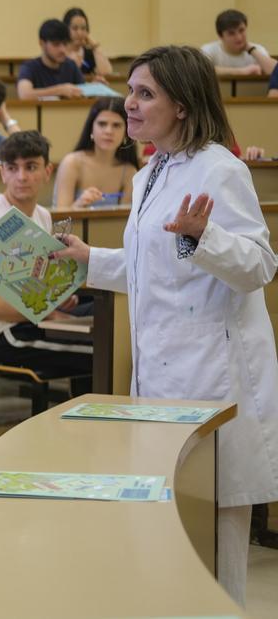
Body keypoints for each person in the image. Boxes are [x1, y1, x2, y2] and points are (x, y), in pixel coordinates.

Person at [53, 45, 278, 606]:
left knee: (213, 539)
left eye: (144, 93)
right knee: (171, 534)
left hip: (212, 378)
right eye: (129, 90)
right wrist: (89, 259)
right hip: (161, 374)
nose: (129, 103)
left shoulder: (220, 168)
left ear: (182, 104)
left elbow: (259, 267)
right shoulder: (153, 168)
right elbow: (152, 270)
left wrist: (206, 237)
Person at [0, 130, 91, 375]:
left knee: (106, 320)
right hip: (4, 334)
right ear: (2, 172)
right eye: (12, 168)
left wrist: (59, 297)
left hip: (35, 319)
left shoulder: (42, 214)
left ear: (47, 171)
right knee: (102, 352)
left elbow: (37, 283)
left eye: (31, 167)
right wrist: (52, 313)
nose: (21, 177)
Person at [53, 97, 138, 208]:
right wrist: (79, 205)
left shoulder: (129, 172)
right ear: (91, 129)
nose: (108, 131)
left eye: (116, 125)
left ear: (126, 133)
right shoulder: (72, 163)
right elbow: (60, 218)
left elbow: (125, 222)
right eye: (102, 124)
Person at [17, 19, 85, 100]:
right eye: (56, 44)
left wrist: (97, 88)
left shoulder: (71, 65)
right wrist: (59, 90)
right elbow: (25, 95)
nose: (62, 49)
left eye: (65, 43)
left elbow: (84, 94)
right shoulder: (29, 67)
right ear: (42, 44)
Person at [201, 9, 276, 77]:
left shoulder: (257, 49)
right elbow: (202, 70)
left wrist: (251, 50)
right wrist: (243, 72)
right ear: (221, 36)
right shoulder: (209, 49)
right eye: (231, 33)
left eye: (241, 30)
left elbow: (275, 71)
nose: (239, 37)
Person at [62, 8, 112, 78]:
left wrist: (95, 46)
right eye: (75, 28)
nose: (79, 33)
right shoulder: (60, 52)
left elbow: (106, 72)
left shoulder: (89, 53)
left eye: (83, 28)